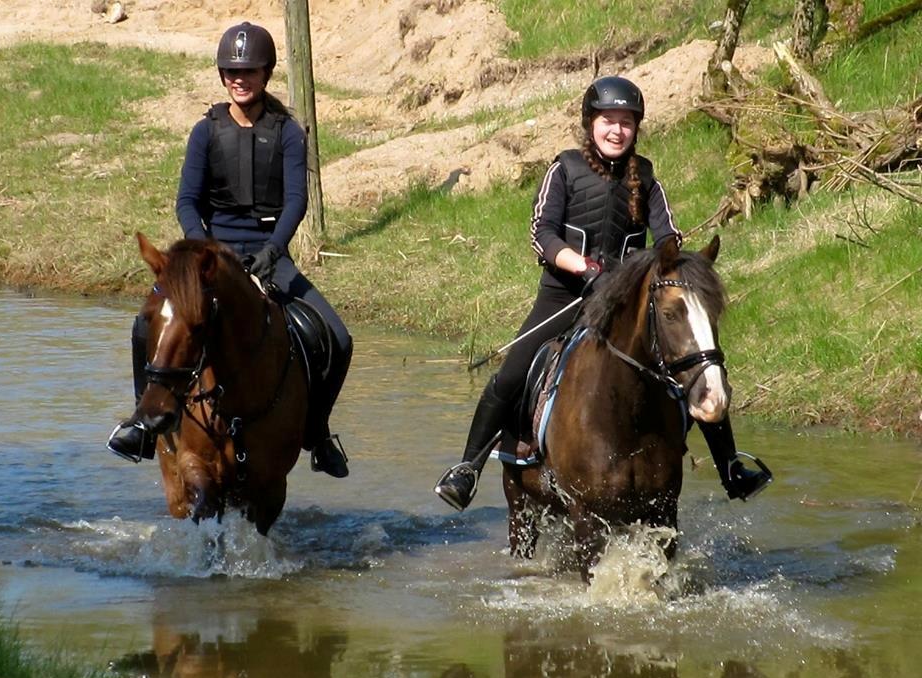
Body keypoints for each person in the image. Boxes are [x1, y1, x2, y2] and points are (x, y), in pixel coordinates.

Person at [434, 76, 772, 511]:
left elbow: (667, 232)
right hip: (566, 296)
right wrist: (583, 266)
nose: (617, 130)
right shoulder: (565, 169)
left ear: (636, 128)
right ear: (590, 123)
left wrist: (679, 262)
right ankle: (468, 469)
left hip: (626, 303)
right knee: (511, 375)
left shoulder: (646, 176)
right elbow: (543, 233)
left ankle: (730, 468)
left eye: (626, 122)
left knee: (693, 369)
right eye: (608, 121)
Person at [107, 21, 351, 478]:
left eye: (250, 71)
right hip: (209, 256)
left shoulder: (288, 133)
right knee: (144, 331)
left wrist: (274, 250)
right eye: (231, 71)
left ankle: (317, 433)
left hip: (267, 253)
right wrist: (203, 249)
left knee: (337, 338)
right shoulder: (205, 132)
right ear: (222, 75)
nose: (240, 79)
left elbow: (296, 200)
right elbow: (186, 200)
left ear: (266, 74)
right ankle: (145, 425)